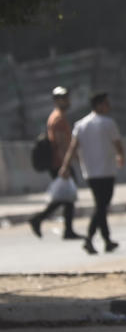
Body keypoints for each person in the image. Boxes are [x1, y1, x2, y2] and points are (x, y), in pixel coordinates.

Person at [60, 92, 125, 255]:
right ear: (98, 105)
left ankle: (107, 240)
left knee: (100, 205)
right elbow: (118, 144)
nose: (108, 106)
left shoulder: (81, 124)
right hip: (107, 171)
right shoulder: (108, 123)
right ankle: (89, 238)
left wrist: (65, 165)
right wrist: (121, 157)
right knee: (102, 206)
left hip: (89, 172)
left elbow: (72, 147)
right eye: (106, 103)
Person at [28, 86, 82, 240]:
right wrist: (67, 164)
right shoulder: (58, 119)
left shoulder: (59, 117)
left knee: (67, 198)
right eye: (63, 98)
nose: (66, 101)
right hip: (59, 163)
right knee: (66, 197)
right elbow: (62, 144)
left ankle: (65, 229)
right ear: (56, 101)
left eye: (67, 97)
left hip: (60, 162)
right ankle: (40, 219)